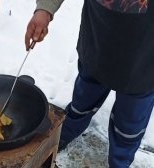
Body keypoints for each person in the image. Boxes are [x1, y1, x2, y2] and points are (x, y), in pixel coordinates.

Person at [25, 0, 154, 167]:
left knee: (128, 128)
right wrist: (44, 9)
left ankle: (119, 162)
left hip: (143, 62)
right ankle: (61, 137)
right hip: (96, 44)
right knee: (81, 104)